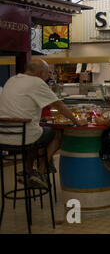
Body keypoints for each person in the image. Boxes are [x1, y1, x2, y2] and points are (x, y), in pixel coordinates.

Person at [0, 59, 87, 188]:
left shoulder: (12, 80)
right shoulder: (37, 82)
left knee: (37, 134)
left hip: (3, 136)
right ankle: (40, 172)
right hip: (24, 136)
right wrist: (77, 121)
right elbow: (58, 105)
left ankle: (27, 171)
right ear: (41, 72)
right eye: (48, 72)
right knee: (56, 133)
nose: (49, 75)